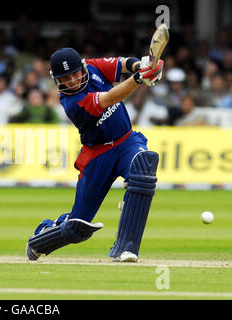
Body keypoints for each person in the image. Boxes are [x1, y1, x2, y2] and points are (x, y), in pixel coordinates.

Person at [26, 47, 164, 263]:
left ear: (82, 66)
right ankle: (42, 236)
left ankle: (126, 248)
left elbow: (123, 63)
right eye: (65, 78)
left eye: (75, 73)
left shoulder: (93, 67)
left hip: (126, 141)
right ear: (56, 81)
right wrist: (140, 78)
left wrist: (142, 66)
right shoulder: (71, 103)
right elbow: (110, 98)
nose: (72, 81)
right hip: (97, 155)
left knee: (143, 169)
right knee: (77, 228)